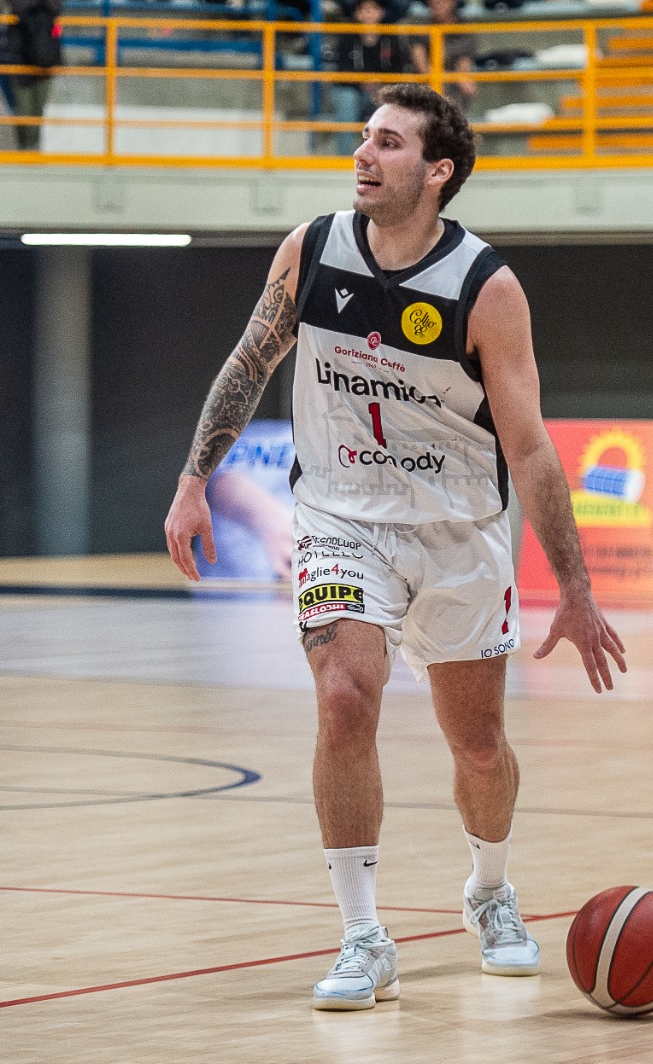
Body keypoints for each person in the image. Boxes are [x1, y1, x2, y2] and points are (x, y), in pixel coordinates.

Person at [164, 83, 625, 1011]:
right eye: (363, 138)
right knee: (344, 699)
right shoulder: (312, 249)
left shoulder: (485, 287)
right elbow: (250, 360)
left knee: (479, 746)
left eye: (387, 143)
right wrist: (192, 479)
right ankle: (363, 935)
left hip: (458, 532)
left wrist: (575, 588)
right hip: (340, 518)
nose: (363, 154)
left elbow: (530, 447)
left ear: (437, 170)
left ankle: (489, 890)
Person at [326, 0, 412, 153]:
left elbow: (398, 69)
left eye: (373, 9)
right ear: (357, 14)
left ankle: (384, 157)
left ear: (381, 13)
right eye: (364, 10)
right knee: (346, 99)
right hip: (353, 90)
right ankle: (345, 157)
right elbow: (341, 70)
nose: (368, 14)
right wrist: (360, 81)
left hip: (383, 90)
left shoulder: (391, 37)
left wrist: (381, 82)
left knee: (389, 101)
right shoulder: (347, 37)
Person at [0, 0, 63, 150]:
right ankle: (25, 149)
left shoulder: (49, 9)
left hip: (44, 58)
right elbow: (16, 6)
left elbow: (56, 7)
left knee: (37, 111)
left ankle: (33, 149)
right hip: (22, 59)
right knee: (24, 111)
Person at [406, 0, 478, 114]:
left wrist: (462, 76)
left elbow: (464, 60)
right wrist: (432, 79)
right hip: (427, 78)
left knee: (464, 85)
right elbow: (419, 58)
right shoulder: (420, 26)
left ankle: (454, 119)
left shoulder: (464, 27)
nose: (438, 3)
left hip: (452, 78)